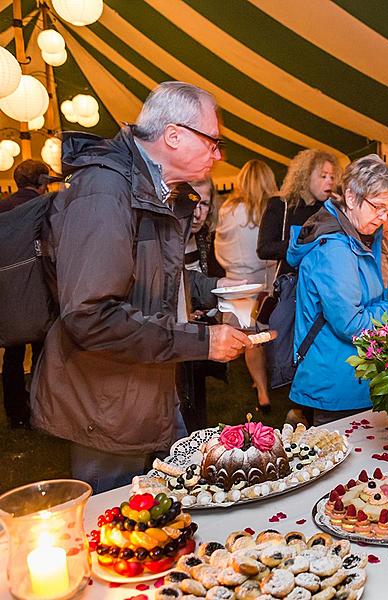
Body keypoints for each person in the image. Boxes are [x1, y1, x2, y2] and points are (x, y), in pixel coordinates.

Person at [30, 81, 252, 493]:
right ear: (173, 135)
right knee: (117, 535)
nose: (218, 155)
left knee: (167, 523)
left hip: (145, 391)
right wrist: (202, 343)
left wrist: (214, 287)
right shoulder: (106, 189)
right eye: (213, 142)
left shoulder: (149, 189)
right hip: (107, 406)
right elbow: (90, 315)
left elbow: (154, 277)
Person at [287, 154, 388, 425]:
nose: (384, 218)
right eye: (378, 207)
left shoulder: (359, 237)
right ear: (351, 198)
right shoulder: (335, 250)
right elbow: (351, 323)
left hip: (352, 379)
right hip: (336, 383)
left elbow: (361, 298)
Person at [215, 159, 279, 412]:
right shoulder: (272, 210)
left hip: (236, 281)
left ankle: (261, 390)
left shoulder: (228, 209)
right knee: (265, 334)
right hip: (265, 281)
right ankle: (266, 383)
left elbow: (220, 247)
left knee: (247, 337)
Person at [1, 160, 53, 428]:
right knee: (44, 354)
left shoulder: (3, 207)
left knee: (12, 356)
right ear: (42, 181)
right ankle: (41, 409)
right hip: (38, 292)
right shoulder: (43, 208)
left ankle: (16, 414)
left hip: (8, 295)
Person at [180, 178, 226, 433]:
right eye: (193, 203)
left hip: (200, 322)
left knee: (196, 390)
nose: (198, 213)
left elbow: (203, 273)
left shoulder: (203, 236)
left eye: (205, 204)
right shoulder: (166, 238)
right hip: (172, 332)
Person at [257, 149, 338, 272]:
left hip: (320, 283)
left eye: (332, 177)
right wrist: (301, 243)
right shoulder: (280, 205)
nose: (330, 181)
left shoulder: (328, 208)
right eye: (323, 176)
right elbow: (264, 249)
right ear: (305, 177)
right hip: (290, 284)